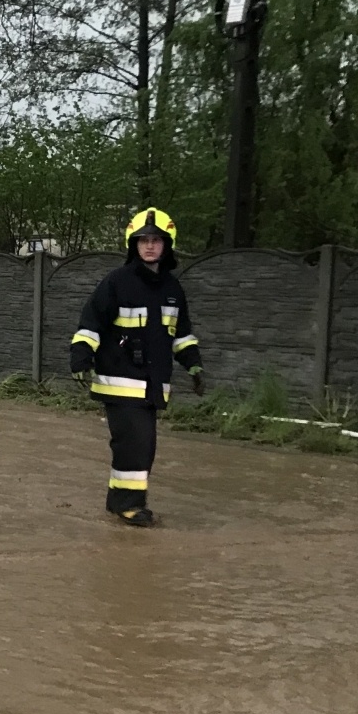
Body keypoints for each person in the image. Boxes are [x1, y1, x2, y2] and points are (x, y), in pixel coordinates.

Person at [70, 208, 205, 527]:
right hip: (118, 380)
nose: (150, 245)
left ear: (166, 245)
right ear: (134, 244)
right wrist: (81, 357)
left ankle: (119, 499)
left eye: (156, 240)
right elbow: (91, 323)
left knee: (143, 446)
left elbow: (181, 334)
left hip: (152, 385)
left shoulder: (173, 290)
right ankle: (130, 506)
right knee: (136, 442)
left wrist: (194, 365)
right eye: (143, 240)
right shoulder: (116, 283)